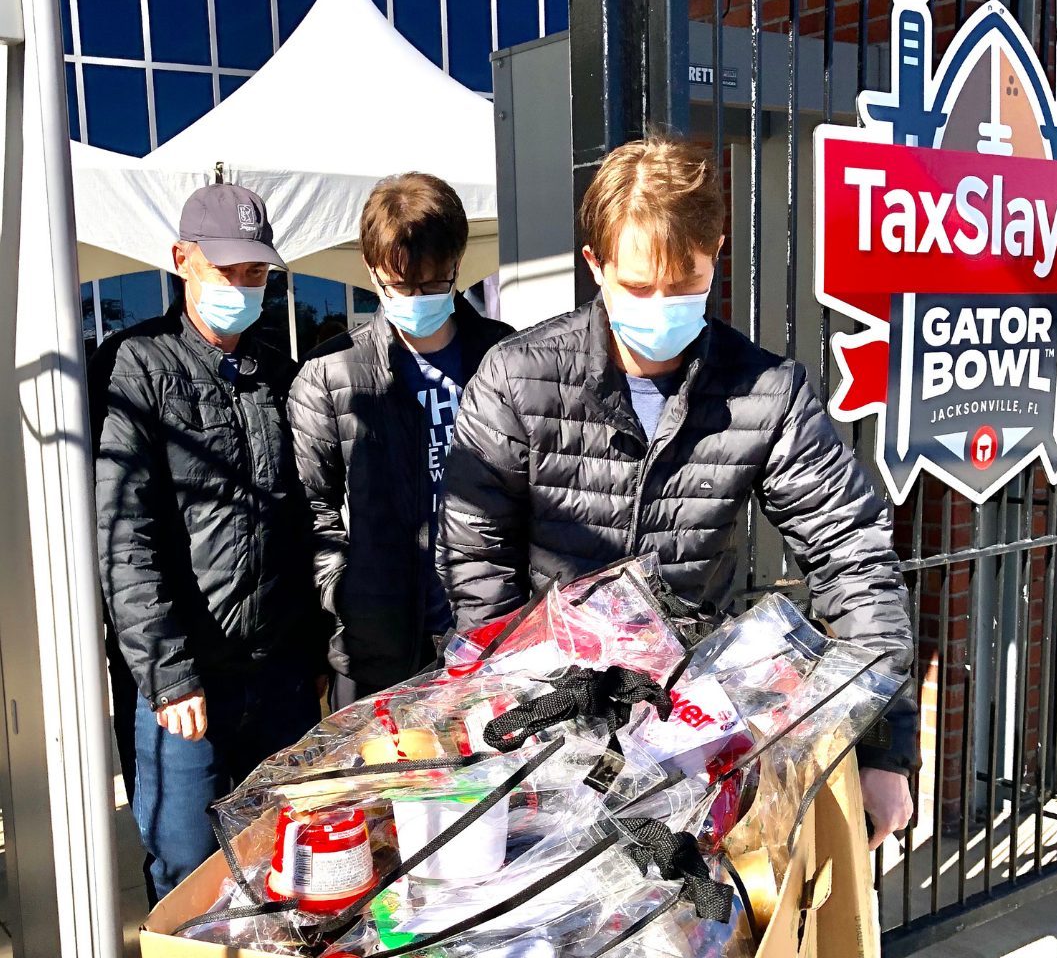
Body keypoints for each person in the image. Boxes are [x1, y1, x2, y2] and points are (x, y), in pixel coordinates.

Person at [439, 136, 917, 841]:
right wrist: (520, 698)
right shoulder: (517, 377)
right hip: (542, 717)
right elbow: (477, 558)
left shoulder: (765, 390)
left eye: (684, 284)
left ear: (716, 252)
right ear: (594, 265)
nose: (660, 307)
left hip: (691, 729)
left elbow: (851, 551)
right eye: (637, 286)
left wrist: (882, 740)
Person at [96, 184, 326, 906]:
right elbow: (122, 535)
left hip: (279, 673)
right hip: (185, 685)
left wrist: (314, 651)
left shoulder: (280, 376)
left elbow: (301, 525)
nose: (241, 286)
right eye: (225, 270)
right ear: (180, 260)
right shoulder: (134, 367)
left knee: (282, 860)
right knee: (185, 871)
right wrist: (167, 674)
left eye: (255, 273)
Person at [287, 172, 512, 710]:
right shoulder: (329, 372)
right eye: (401, 286)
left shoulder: (505, 358)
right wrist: (345, 593)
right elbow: (309, 509)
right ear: (373, 272)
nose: (417, 298)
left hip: (488, 633)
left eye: (435, 284)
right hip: (375, 648)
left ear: (457, 266)